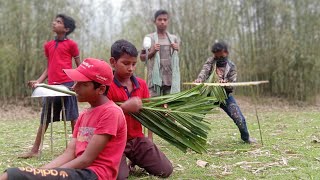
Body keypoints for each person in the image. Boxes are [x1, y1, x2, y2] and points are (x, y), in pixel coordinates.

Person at [0, 58, 127, 180]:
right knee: (18, 175)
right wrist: (41, 172)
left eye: (82, 84)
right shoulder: (84, 115)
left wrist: (47, 175)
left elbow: (86, 159)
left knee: (12, 176)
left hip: (95, 175)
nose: (74, 87)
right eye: (75, 82)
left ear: (101, 89)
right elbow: (69, 154)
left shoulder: (111, 113)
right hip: (78, 172)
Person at [107, 40, 173, 179]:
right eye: (125, 63)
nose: (130, 68)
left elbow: (147, 115)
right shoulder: (107, 86)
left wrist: (149, 140)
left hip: (137, 140)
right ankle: (118, 161)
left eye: (134, 64)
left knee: (165, 170)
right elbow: (103, 115)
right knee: (119, 176)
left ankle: (136, 158)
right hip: (115, 140)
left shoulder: (141, 85)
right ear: (113, 62)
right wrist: (124, 108)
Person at [20, 14, 81, 158]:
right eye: (55, 21)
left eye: (58, 22)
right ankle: (35, 150)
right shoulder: (48, 45)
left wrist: (78, 82)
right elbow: (49, 67)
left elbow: (79, 65)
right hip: (51, 87)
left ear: (66, 28)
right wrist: (38, 81)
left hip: (68, 85)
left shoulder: (72, 45)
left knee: (73, 117)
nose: (54, 23)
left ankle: (77, 148)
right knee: (45, 118)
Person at [194, 41, 256, 144]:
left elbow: (232, 84)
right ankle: (191, 136)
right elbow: (204, 72)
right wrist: (199, 79)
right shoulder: (211, 62)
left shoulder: (231, 66)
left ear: (225, 52)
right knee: (197, 116)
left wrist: (226, 84)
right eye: (215, 54)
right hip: (209, 95)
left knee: (238, 118)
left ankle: (246, 138)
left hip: (225, 96)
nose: (217, 56)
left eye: (220, 54)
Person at [140, 9, 181, 97]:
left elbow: (176, 58)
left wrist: (177, 49)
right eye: (159, 19)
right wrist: (152, 51)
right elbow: (142, 57)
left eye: (165, 20)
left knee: (171, 105)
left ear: (168, 21)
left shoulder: (173, 38)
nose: (162, 22)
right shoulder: (149, 38)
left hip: (170, 78)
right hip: (154, 79)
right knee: (154, 105)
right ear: (155, 21)